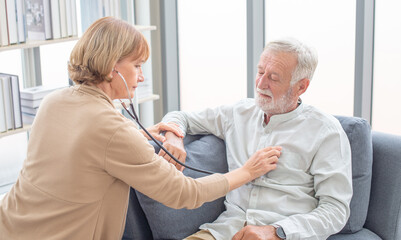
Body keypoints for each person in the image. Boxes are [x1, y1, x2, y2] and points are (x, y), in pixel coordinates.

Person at [0, 17, 282, 240]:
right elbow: (185, 194)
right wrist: (247, 172)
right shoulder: (112, 130)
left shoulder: (55, 101)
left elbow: (81, 146)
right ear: (113, 68)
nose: (142, 76)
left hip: (11, 224)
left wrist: (141, 133)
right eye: (137, 65)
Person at [161, 38, 353, 240]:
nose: (261, 84)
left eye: (274, 77)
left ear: (301, 87)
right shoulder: (238, 114)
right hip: (225, 231)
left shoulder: (326, 132)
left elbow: (336, 210)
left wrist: (277, 231)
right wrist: (174, 136)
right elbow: (180, 117)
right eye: (260, 72)